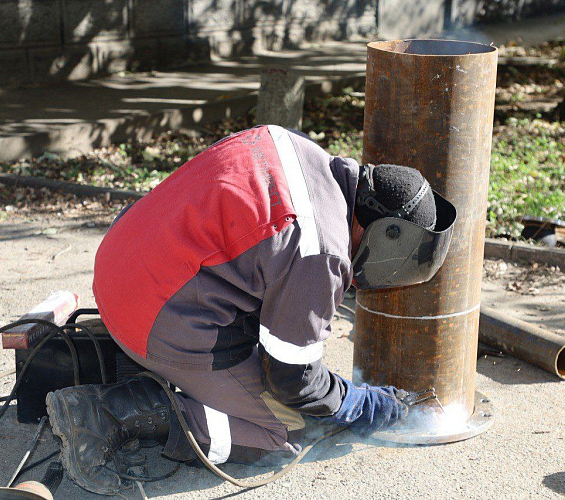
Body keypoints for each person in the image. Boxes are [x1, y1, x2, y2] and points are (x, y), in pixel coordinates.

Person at [46, 125, 457, 494]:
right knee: (286, 431)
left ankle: (165, 371)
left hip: (120, 268)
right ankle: (110, 413)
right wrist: (361, 404)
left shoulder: (292, 145)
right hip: (152, 316)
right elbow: (294, 381)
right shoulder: (321, 252)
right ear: (387, 235)